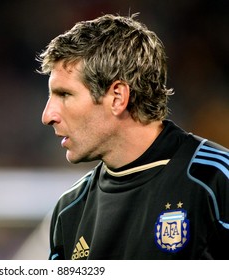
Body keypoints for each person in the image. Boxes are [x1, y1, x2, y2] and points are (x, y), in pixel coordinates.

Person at [38, 14, 229, 259]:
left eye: (64, 94)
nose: (47, 115)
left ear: (117, 97)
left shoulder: (216, 182)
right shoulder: (70, 210)